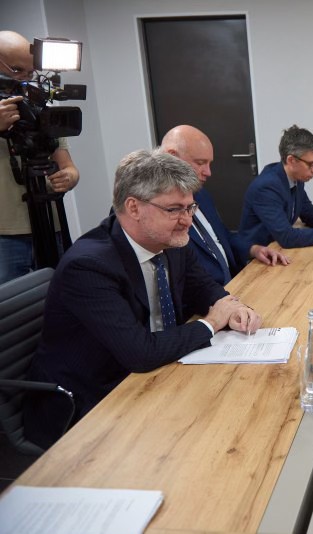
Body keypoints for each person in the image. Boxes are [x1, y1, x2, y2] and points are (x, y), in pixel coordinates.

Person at [23, 149, 261, 448]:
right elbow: (140, 353)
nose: (187, 220)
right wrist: (212, 322)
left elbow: (202, 287)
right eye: (174, 209)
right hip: (92, 401)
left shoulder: (170, 240)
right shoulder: (88, 266)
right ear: (134, 207)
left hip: (157, 373)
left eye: (190, 208)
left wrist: (234, 308)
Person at [160, 125, 289, 285]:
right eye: (200, 163)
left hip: (235, 280)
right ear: (172, 157)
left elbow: (223, 237)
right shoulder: (159, 212)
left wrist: (254, 249)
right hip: (208, 293)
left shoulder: (201, 194)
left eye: (209, 163)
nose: (208, 172)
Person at [0, 30, 80, 284]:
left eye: (30, 72)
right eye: (16, 71)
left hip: (49, 224)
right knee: (12, 306)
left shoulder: (39, 108)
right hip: (5, 236)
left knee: (61, 296)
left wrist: (68, 177)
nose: (25, 79)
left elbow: (68, 167)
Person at [238, 125, 313, 249]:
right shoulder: (266, 187)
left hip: (277, 248)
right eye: (311, 164)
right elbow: (287, 237)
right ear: (291, 161)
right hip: (258, 254)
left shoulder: (296, 177)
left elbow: (307, 210)